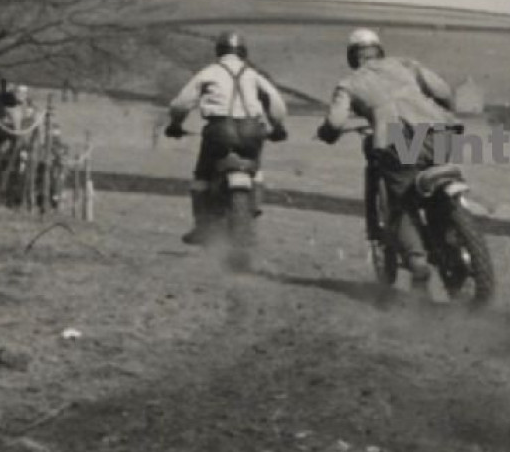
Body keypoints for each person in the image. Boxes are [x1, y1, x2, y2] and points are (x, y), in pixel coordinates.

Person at [314, 27, 451, 289]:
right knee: (437, 185)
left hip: (399, 140)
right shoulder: (406, 65)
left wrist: (326, 133)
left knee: (400, 200)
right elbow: (443, 91)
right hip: (441, 134)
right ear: (380, 51)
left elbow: (335, 121)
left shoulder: (350, 83)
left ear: (353, 57)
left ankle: (417, 259)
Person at [168, 30, 289, 246]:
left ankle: (202, 225)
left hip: (219, 130)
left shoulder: (209, 72)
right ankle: (254, 203)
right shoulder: (253, 74)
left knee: (202, 175)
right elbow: (276, 103)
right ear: (243, 52)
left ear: (219, 51)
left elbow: (181, 103)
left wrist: (176, 124)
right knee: (255, 169)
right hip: (252, 130)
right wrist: (278, 126)